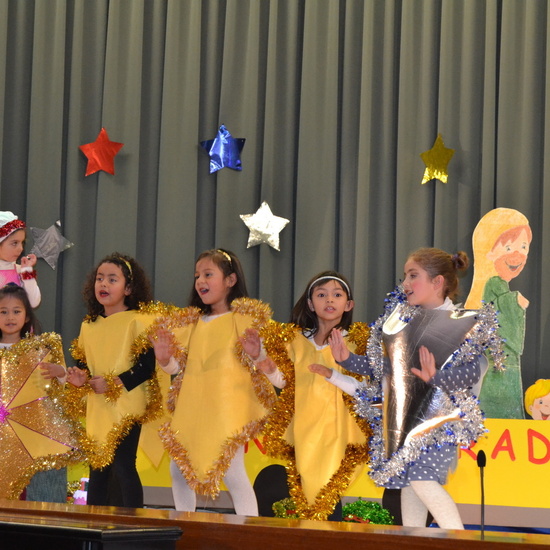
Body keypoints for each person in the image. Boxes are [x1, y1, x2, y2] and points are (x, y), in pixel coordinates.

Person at [329, 248, 503, 529]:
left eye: (413, 276)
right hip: (406, 423)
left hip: (439, 426)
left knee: (422, 479)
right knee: (411, 485)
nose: (405, 284)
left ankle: (459, 542)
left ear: (437, 282)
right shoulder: (404, 324)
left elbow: (473, 371)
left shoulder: (465, 324)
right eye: (405, 276)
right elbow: (388, 368)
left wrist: (437, 377)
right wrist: (347, 360)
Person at [149, 248, 276, 515]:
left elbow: (259, 360)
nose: (200, 281)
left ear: (230, 281)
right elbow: (177, 366)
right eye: (197, 275)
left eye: (208, 274)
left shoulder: (242, 318)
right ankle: (186, 524)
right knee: (178, 469)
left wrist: (258, 353)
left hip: (227, 407)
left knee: (232, 472)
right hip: (193, 406)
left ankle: (248, 534)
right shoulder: (193, 322)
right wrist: (163, 358)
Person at [240, 271, 371, 520]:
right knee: (307, 491)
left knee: (327, 490)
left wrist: (333, 373)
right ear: (311, 304)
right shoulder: (297, 341)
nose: (329, 300)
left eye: (337, 294)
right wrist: (261, 358)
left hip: (339, 431)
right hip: (304, 429)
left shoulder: (356, 341)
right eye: (321, 295)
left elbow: (364, 390)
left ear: (349, 304)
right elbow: (285, 381)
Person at [66, 253, 160, 508]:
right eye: (99, 279)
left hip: (127, 408)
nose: (103, 285)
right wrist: (79, 377)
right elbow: (85, 365)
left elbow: (146, 367)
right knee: (98, 468)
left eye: (112, 279)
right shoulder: (89, 326)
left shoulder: (139, 321)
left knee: (123, 465)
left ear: (129, 288)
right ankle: (94, 526)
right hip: (99, 410)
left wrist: (115, 382)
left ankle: (132, 527)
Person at [0, 283, 79, 502]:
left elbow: (60, 388)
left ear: (26, 317)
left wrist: (59, 372)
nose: (10, 317)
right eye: (3, 312)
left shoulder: (38, 350)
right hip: (3, 438)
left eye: (16, 311)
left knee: (41, 487)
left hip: (34, 433)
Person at [465, 208, 532, 419]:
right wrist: (515, 301)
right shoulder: (493, 284)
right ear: (489, 250)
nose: (518, 254)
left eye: (524, 247)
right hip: (497, 364)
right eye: (509, 246)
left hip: (504, 363)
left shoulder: (500, 284)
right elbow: (495, 312)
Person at [0, 211, 40, 308]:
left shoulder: (20, 271)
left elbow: (34, 302)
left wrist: (27, 271)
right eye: (14, 243)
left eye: (22, 243)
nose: (21, 248)